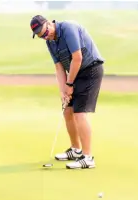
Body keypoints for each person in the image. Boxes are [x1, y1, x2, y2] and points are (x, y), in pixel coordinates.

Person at [30, 15, 104, 169]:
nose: (45, 36)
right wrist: (63, 90)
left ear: (49, 23)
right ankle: (76, 150)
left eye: (45, 32)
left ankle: (88, 157)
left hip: (90, 70)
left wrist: (69, 83)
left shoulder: (68, 28)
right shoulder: (50, 42)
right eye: (41, 36)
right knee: (67, 111)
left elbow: (77, 58)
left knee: (79, 113)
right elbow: (59, 67)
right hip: (74, 74)